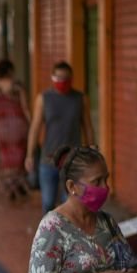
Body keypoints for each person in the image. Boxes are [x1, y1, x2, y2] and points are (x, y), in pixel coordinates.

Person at [27, 62, 95, 212]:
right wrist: (30, 155)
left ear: (71, 78)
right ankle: (50, 227)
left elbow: (88, 127)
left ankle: (66, 227)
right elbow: (35, 128)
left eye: (66, 78)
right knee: (48, 202)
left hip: (72, 162)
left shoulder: (80, 99)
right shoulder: (43, 99)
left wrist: (92, 152)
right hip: (48, 159)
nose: (62, 81)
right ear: (52, 77)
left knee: (70, 204)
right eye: (58, 78)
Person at [0, 59, 31, 202]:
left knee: (5, 157)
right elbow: (26, 108)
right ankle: (19, 185)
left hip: (0, 126)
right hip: (19, 125)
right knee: (19, 156)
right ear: (10, 70)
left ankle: (9, 187)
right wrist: (32, 124)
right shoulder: (17, 86)